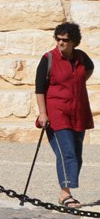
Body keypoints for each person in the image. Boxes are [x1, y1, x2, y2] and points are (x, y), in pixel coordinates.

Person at [36, 22, 94, 208]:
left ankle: (67, 191)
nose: (61, 43)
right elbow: (39, 88)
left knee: (77, 155)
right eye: (58, 39)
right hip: (56, 112)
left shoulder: (82, 58)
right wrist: (43, 113)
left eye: (65, 40)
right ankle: (65, 194)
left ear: (74, 42)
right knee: (66, 153)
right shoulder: (48, 59)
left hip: (78, 112)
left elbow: (89, 70)